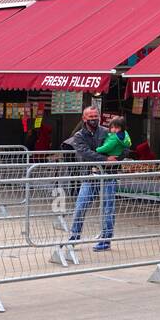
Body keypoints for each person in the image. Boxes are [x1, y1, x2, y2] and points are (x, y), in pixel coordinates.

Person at [64, 106, 119, 251]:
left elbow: (121, 145)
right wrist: (106, 159)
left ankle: (106, 240)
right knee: (80, 206)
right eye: (91, 116)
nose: (94, 119)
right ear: (84, 118)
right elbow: (85, 153)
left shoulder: (107, 132)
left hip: (108, 175)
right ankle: (74, 236)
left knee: (108, 209)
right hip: (90, 175)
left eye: (96, 116)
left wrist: (117, 158)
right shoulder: (79, 136)